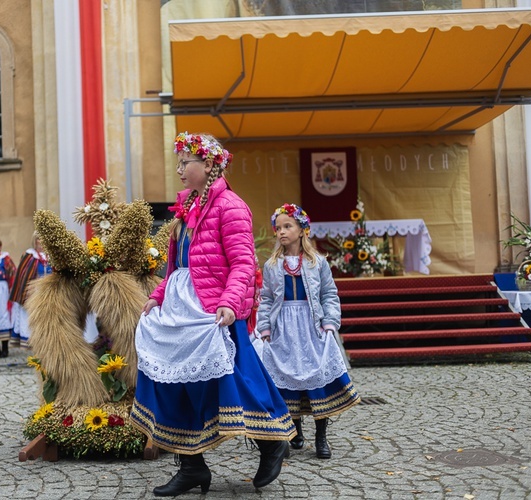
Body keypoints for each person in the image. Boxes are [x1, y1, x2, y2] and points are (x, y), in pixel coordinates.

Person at [131, 132, 294, 497]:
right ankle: (191, 466)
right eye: (178, 163)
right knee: (174, 380)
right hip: (181, 308)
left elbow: (242, 262)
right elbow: (178, 265)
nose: (179, 169)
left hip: (213, 310)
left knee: (234, 381)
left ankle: (271, 442)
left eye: (185, 162)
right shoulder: (186, 207)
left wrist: (229, 301)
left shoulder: (231, 206)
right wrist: (158, 296)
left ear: (207, 164)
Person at [257, 203, 360, 459]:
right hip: (284, 328)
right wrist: (266, 326)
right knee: (288, 377)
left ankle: (321, 435)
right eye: (278, 228)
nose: (281, 232)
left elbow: (329, 294)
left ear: (303, 229)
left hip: (312, 326)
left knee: (316, 377)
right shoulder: (272, 265)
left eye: (287, 226)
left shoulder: (318, 262)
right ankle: (295, 431)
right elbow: (267, 298)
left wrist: (329, 322)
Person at [9, 232, 51, 348]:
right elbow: (22, 276)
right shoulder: (29, 256)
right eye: (39, 239)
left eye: (43, 239)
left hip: (49, 294)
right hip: (33, 293)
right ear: (35, 241)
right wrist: (27, 292)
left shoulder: (52, 256)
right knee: (34, 322)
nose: (41, 242)